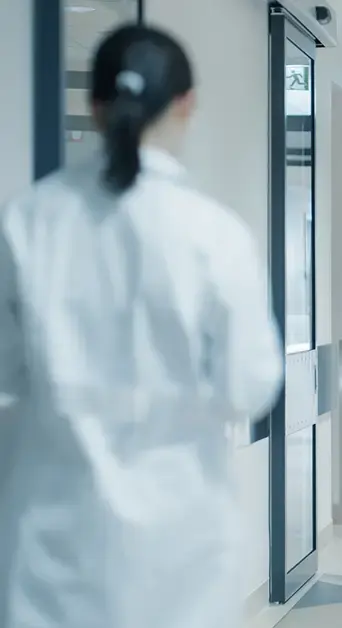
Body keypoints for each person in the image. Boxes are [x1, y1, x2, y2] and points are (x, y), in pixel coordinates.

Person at [0, 25, 283, 628]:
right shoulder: (214, 234)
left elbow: (5, 373)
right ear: (188, 104)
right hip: (178, 550)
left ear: (93, 106)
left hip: (53, 543)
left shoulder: (29, 223)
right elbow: (248, 387)